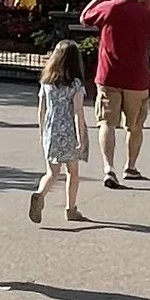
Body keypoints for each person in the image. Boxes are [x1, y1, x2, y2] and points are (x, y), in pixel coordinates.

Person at [79, 0, 150, 186]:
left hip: (109, 76)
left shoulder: (108, 8)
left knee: (107, 123)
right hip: (137, 78)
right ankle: (131, 166)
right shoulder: (146, 13)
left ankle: (108, 168)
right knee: (135, 126)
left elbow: (84, 18)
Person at [29, 41, 90, 223]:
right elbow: (78, 111)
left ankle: (40, 195)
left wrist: (42, 133)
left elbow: (42, 108)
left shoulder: (46, 82)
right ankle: (71, 208)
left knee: (52, 172)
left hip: (51, 129)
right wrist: (81, 137)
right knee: (72, 171)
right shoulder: (76, 84)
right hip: (69, 130)